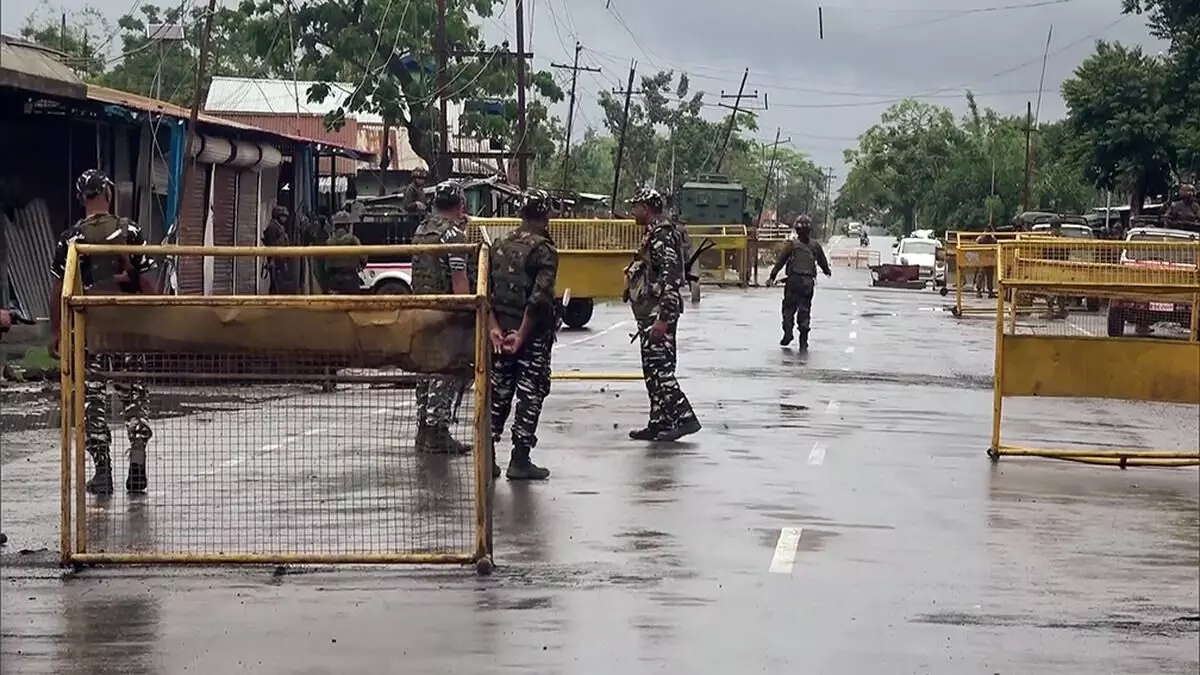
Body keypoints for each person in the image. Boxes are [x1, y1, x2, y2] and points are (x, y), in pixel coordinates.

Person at [49, 169, 157, 494]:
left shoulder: (71, 238)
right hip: (128, 329)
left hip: (89, 331)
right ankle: (137, 458)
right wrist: (157, 321)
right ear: (108, 194)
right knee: (134, 394)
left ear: (82, 198)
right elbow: (150, 283)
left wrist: (57, 332)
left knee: (92, 396)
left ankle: (102, 470)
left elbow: (58, 290)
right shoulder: (131, 230)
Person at [487, 189, 559, 480]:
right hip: (530, 337)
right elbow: (539, 298)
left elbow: (485, 293)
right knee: (531, 393)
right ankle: (520, 458)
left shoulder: (499, 244)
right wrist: (523, 335)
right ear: (545, 214)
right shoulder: (544, 250)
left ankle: (487, 457)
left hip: (499, 333)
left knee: (498, 392)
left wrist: (494, 329)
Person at [622, 187, 701, 442]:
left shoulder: (662, 235)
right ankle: (659, 421)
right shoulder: (652, 233)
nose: (632, 211)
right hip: (649, 311)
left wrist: (663, 319)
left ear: (646, 208)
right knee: (651, 370)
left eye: (635, 207)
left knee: (661, 369)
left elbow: (671, 280)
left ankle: (685, 417)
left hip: (659, 312)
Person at [411, 181, 472, 455]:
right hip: (445, 312)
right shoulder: (454, 236)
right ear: (461, 206)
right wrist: (468, 312)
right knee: (444, 371)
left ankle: (424, 429)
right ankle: (438, 432)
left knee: (425, 370)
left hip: (420, 309)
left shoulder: (422, 230)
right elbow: (459, 279)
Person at [767, 215, 832, 349]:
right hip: (807, 283)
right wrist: (826, 271)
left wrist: (772, 277)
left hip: (793, 282)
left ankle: (788, 333)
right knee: (805, 310)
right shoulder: (815, 246)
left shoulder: (792, 245)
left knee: (788, 309)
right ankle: (803, 339)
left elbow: (780, 262)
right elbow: (823, 263)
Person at [324, 210, 366, 294]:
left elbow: (326, 266)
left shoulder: (329, 242)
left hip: (334, 280)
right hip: (351, 279)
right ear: (347, 226)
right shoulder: (353, 240)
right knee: (352, 305)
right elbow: (364, 258)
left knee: (335, 305)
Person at [262, 205, 295, 294]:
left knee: (279, 282)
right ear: (277, 215)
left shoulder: (279, 227)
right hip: (276, 260)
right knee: (276, 283)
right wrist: (272, 260)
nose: (285, 218)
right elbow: (272, 245)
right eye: (283, 216)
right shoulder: (273, 227)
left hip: (280, 259)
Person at [974, 225, 998, 299]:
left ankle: (984, 291)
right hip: (986, 259)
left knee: (985, 275)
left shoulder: (984, 239)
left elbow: (976, 241)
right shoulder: (991, 239)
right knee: (985, 275)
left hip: (987, 259)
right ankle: (984, 291)